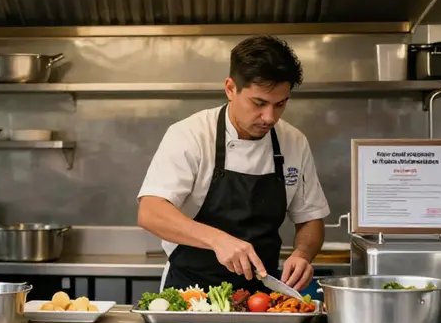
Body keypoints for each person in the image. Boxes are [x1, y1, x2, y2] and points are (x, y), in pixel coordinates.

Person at [137, 35, 330, 293]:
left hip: (261, 296)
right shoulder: (191, 135)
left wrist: (303, 253)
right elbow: (151, 212)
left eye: (280, 104)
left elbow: (310, 218)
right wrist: (217, 240)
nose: (269, 117)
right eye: (259, 103)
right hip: (191, 291)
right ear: (230, 88)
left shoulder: (293, 142)